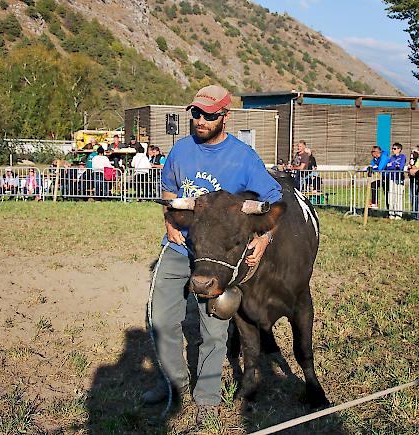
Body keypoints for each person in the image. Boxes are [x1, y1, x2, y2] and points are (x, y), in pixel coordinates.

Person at [144, 85, 282, 424]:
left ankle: (207, 398)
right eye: (195, 113)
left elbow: (274, 201)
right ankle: (174, 384)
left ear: (225, 117)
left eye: (208, 115)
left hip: (219, 256)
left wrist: (264, 237)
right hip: (179, 248)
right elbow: (170, 190)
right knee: (161, 320)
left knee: (213, 328)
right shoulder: (180, 151)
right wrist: (168, 221)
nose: (200, 120)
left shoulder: (243, 157)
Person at [385, 142, 406, 219]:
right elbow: (388, 167)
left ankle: (398, 214)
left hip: (399, 179)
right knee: (391, 196)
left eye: (394, 148)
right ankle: (391, 213)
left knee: (398, 196)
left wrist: (392, 166)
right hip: (391, 178)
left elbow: (400, 167)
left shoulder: (402, 157)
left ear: (399, 149)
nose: (393, 150)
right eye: (392, 148)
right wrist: (392, 166)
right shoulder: (392, 157)